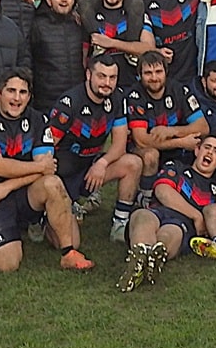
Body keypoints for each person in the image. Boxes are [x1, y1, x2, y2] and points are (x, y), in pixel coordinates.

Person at [0, 69, 93, 273]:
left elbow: (48, 169)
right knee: (8, 264)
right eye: (11, 91)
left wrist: (8, 185)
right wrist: (39, 168)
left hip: (20, 191)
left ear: (29, 97)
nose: (17, 98)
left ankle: (68, 253)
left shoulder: (38, 120)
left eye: (23, 92)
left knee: (53, 185)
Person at [116, 135, 216, 292]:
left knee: (170, 233)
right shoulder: (177, 167)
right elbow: (163, 191)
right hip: (158, 211)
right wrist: (196, 215)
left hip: (181, 225)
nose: (209, 153)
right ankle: (142, 257)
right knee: (142, 216)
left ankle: (147, 259)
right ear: (197, 150)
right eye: (207, 147)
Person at [45, 55, 145, 242]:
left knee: (133, 163)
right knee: (69, 242)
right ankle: (44, 215)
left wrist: (102, 163)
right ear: (88, 75)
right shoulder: (70, 102)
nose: (107, 83)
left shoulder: (117, 98)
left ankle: (120, 224)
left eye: (112, 78)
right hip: (62, 175)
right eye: (101, 76)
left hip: (91, 167)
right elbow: (46, 150)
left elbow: (119, 145)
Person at [126, 49, 208, 176]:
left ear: (166, 72)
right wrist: (180, 142)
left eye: (158, 72)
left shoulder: (180, 90)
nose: (154, 78)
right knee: (150, 155)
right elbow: (141, 140)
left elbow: (203, 127)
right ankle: (147, 189)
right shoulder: (134, 96)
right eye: (148, 73)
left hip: (175, 147)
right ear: (139, 75)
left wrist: (171, 131)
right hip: (144, 149)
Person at [82, 0, 155, 86]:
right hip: (101, 85)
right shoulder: (90, 15)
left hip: (131, 83)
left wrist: (111, 43)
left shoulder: (137, 13)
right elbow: (83, 55)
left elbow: (149, 48)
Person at [144, 0, 206, 86]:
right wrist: (156, 52)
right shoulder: (145, 2)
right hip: (161, 80)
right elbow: (144, 39)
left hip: (193, 77)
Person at [30, 0, 86, 112]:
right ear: (49, 1)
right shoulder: (37, 25)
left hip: (77, 97)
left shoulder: (80, 24)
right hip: (47, 100)